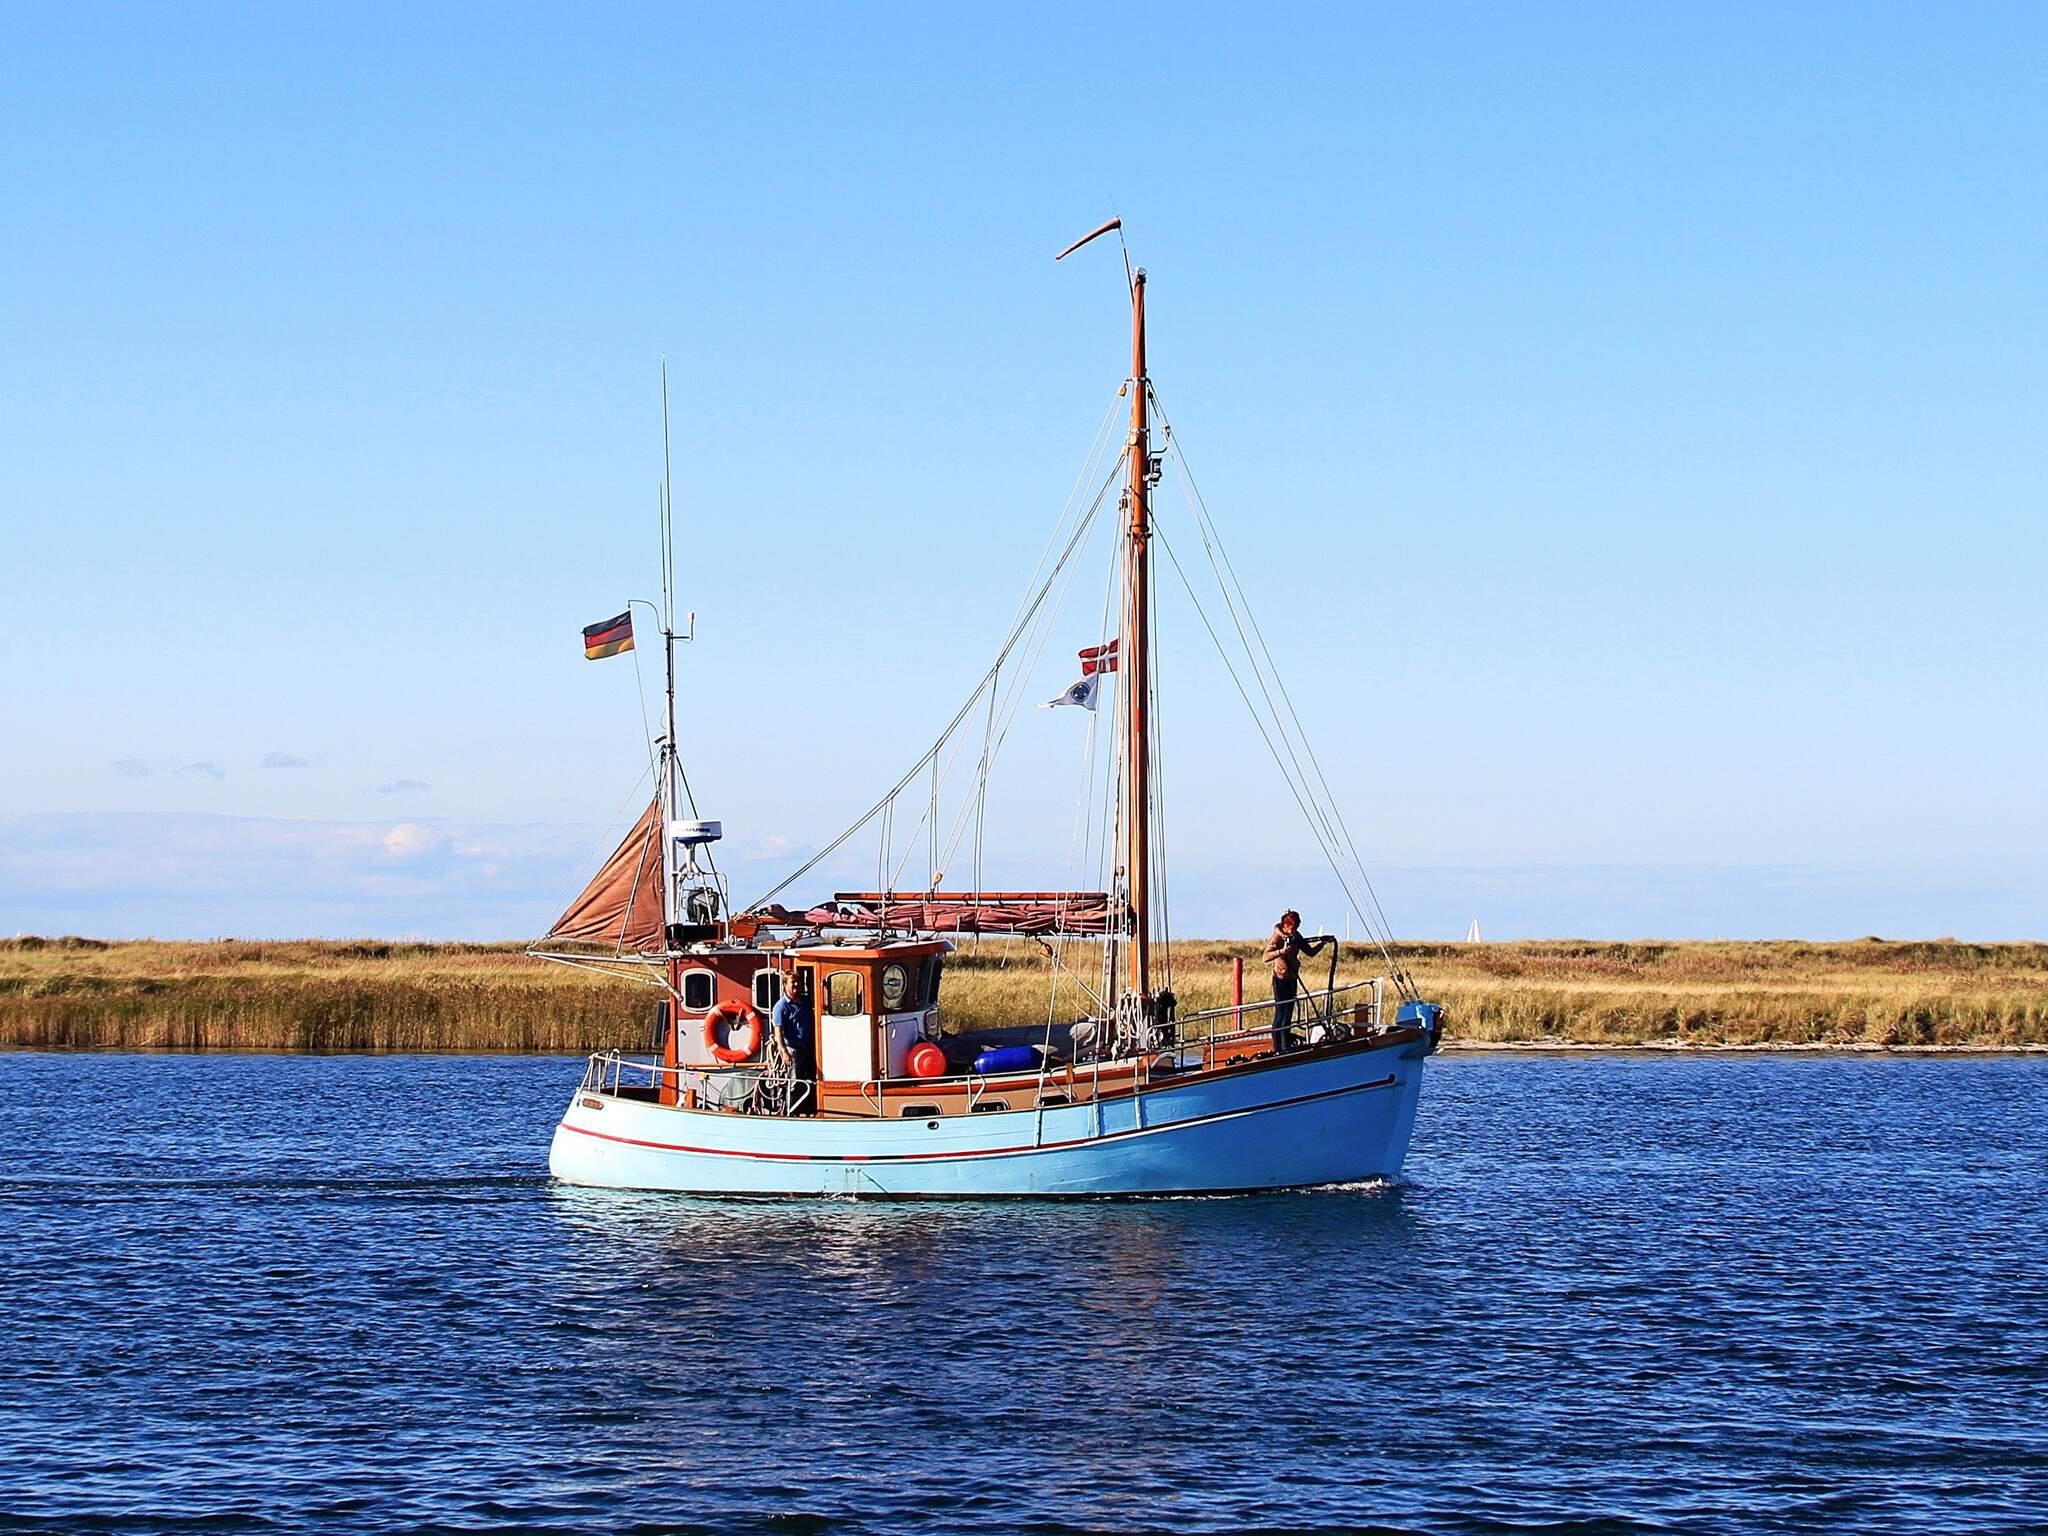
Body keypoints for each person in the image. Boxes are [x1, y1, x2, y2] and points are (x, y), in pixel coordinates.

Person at [1262, 910, 1329, 1055]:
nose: (1294, 931)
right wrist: (1281, 952)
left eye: (1296, 928)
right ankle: (1279, 1048)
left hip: (1292, 979)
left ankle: (1285, 1046)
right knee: (1281, 1014)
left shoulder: (1296, 936)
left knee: (1288, 1014)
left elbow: (1310, 952)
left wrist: (1322, 943)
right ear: (1285, 926)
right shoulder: (1277, 937)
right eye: (1292, 928)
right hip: (1280, 980)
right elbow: (1265, 957)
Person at [769, 973, 816, 1114]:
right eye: (793, 982)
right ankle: (791, 1113)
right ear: (785, 985)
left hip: (809, 1048)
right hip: (793, 1050)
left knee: (809, 1080)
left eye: (798, 982)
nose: (796, 984)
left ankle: (808, 1111)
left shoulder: (805, 1001)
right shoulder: (780, 1007)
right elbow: (778, 1032)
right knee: (794, 1083)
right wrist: (784, 1052)